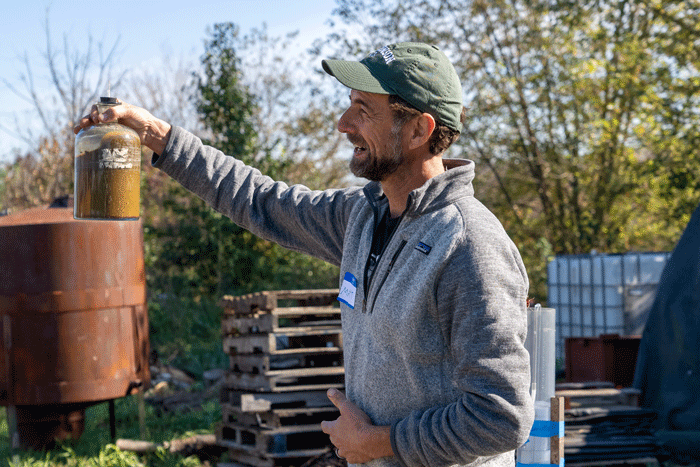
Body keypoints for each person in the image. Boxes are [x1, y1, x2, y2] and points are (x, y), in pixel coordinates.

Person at [75, 42, 534, 467]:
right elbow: (259, 199)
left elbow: (501, 415)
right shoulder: (361, 217)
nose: (343, 122)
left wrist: (377, 442)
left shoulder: (470, 247)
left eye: (363, 109)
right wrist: (156, 133)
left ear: (418, 129)